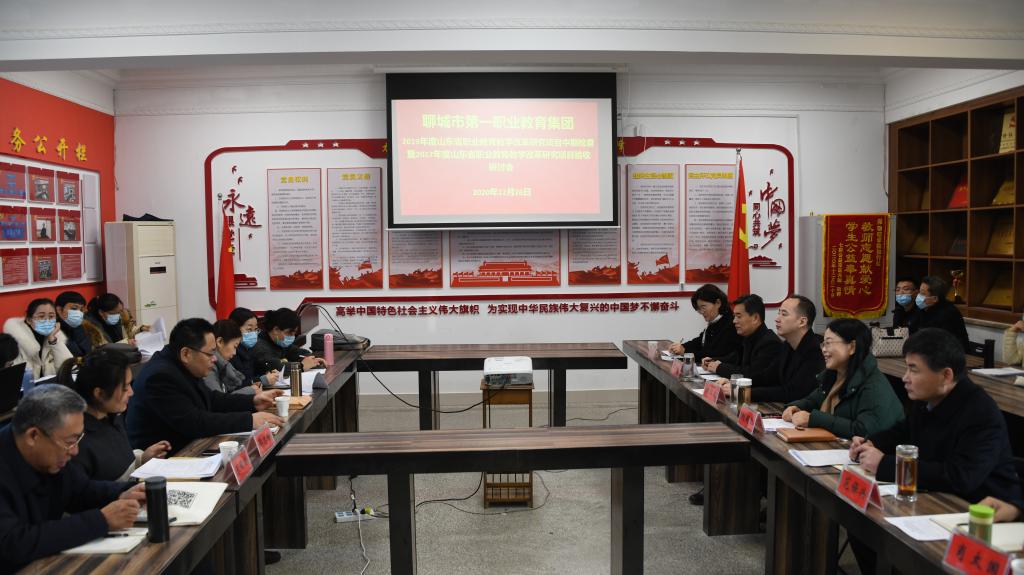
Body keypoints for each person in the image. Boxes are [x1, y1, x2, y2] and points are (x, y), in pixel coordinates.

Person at [848, 328, 1024, 572]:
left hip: (979, 514)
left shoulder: (979, 412)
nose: (905, 377)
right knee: (860, 524)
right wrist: (871, 443)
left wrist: (886, 465)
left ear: (946, 375)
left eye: (914, 369)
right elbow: (902, 431)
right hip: (934, 498)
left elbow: (961, 477)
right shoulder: (928, 400)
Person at [0, 384, 146, 570]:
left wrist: (123, 493)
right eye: (70, 442)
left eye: (78, 440)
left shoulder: (53, 456)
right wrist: (101, 521)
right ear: (33, 436)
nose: (75, 451)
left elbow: (81, 490)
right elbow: (13, 543)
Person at [126, 317, 284, 455]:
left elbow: (211, 399)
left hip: (190, 447)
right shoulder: (160, 377)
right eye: (210, 353)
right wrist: (249, 420)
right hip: (167, 459)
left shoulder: (182, 364)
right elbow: (194, 422)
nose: (214, 359)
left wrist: (252, 401)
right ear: (186, 354)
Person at [59, 345, 171, 481]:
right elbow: (97, 487)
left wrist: (142, 459)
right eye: (125, 388)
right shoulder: (79, 442)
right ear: (99, 393)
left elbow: (121, 466)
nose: (131, 392)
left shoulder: (112, 416)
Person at [782, 318, 903, 438]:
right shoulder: (834, 374)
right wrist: (796, 407)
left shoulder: (873, 385)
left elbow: (864, 430)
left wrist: (815, 419)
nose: (823, 349)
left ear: (852, 347)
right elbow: (813, 401)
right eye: (823, 344)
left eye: (829, 343)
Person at [752, 295, 824, 402]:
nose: (777, 319)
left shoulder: (815, 351)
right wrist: (738, 383)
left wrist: (746, 393)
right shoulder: (788, 345)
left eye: (784, 314)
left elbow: (794, 393)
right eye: (779, 313)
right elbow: (767, 377)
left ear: (802, 322)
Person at [704, 293, 782, 393]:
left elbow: (752, 375)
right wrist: (713, 361)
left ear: (755, 318)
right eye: (734, 316)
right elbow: (735, 358)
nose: (734, 321)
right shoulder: (748, 337)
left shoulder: (770, 343)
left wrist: (719, 367)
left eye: (739, 316)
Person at [667, 284, 741, 363]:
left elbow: (715, 354)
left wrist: (685, 352)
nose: (701, 312)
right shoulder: (716, 321)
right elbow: (700, 341)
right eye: (699, 308)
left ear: (718, 303)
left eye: (703, 307)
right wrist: (682, 347)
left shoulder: (731, 324)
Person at [3, 298, 73, 377]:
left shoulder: (55, 337)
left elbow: (68, 368)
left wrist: (53, 340)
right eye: (41, 316)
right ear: (29, 320)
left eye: (51, 316)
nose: (47, 320)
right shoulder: (14, 342)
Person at [251, 308, 324, 376]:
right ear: (276, 330)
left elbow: (296, 352)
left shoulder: (278, 342)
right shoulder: (260, 347)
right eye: (289, 333)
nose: (292, 337)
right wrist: (301, 366)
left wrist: (313, 358)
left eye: (294, 333)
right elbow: (277, 367)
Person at [203, 319, 266, 395]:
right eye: (234, 347)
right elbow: (218, 399)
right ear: (220, 342)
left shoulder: (223, 365)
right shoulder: (209, 367)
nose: (234, 353)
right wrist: (251, 390)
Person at [907, 275, 968, 352]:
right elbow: (912, 331)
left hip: (952, 354)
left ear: (935, 298)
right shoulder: (923, 308)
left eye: (922, 293)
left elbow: (938, 342)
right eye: (919, 292)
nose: (918, 296)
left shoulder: (948, 313)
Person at [227, 307, 280, 387]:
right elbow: (237, 384)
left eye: (255, 329)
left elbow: (254, 374)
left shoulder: (249, 349)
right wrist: (262, 380)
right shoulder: (231, 354)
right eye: (249, 329)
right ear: (235, 329)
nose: (254, 334)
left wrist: (269, 374)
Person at [82, 293, 149, 349]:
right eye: (113, 313)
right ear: (101, 312)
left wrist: (141, 329)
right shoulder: (90, 326)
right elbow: (101, 348)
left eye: (119, 312)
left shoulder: (122, 314)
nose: (118, 315)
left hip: (124, 354)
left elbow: (128, 330)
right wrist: (125, 343)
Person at [55, 290, 92, 357]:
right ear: (59, 310)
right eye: (74, 308)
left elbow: (87, 351)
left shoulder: (80, 326)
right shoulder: (55, 331)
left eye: (81, 310)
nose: (78, 313)